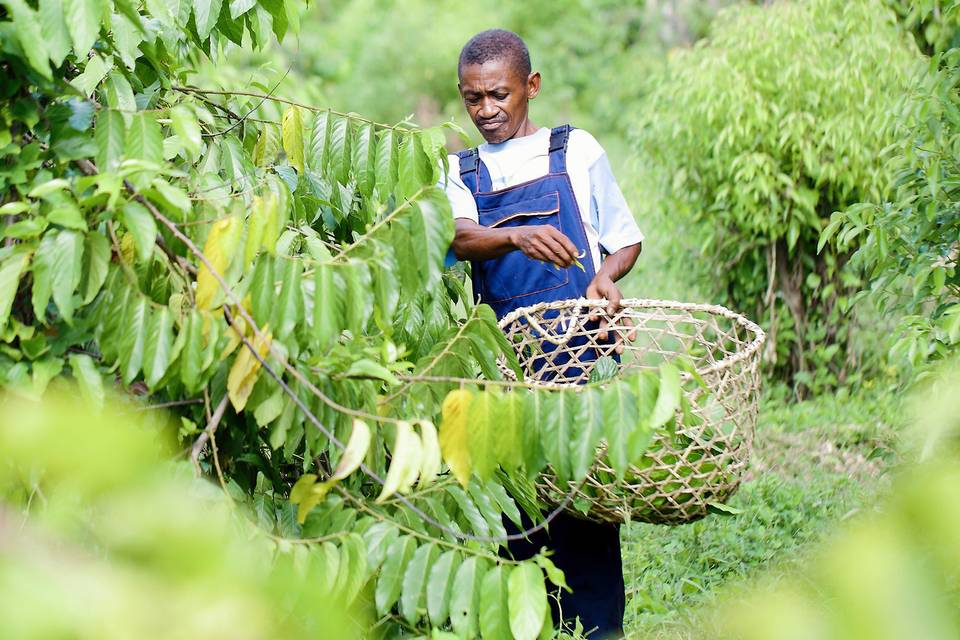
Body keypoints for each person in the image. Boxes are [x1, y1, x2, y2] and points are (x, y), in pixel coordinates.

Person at [439, 29, 644, 639]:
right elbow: (456, 237)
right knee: (515, 523)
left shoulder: (575, 151)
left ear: (531, 87)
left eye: (499, 95)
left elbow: (624, 237)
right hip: (504, 373)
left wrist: (605, 277)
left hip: (581, 364)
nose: (487, 111)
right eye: (473, 98)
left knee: (584, 511)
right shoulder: (461, 170)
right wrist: (515, 235)